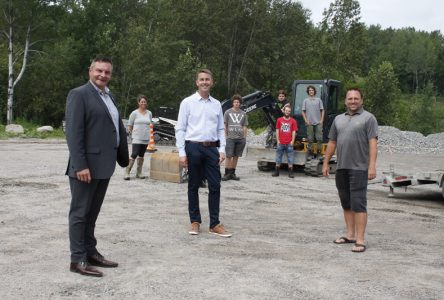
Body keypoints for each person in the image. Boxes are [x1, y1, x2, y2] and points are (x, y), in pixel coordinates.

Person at [65, 56, 129, 277]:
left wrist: (123, 155)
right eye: (99, 71)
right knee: (80, 213)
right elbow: (74, 133)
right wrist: (80, 165)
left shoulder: (109, 96)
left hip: (103, 166)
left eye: (107, 72)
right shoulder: (79, 94)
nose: (103, 75)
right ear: (90, 71)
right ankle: (77, 259)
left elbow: (115, 127)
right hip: (85, 168)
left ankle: (91, 252)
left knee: (92, 213)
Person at [175, 68, 231, 238]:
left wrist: (221, 150)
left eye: (207, 79)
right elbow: (180, 128)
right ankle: (195, 220)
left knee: (215, 185)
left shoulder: (216, 104)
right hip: (193, 148)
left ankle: (214, 223)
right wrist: (182, 152)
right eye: (202, 79)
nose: (205, 82)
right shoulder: (187, 102)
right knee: (193, 185)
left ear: (211, 82)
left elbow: (221, 129)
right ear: (197, 82)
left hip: (212, 149)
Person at [322, 88, 378, 253]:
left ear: (361, 100)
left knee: (358, 204)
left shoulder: (368, 118)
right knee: (346, 203)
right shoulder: (338, 119)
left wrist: (372, 166)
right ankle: (350, 235)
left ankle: (360, 240)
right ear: (345, 101)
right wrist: (326, 162)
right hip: (341, 168)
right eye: (350, 98)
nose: (353, 101)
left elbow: (373, 143)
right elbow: (332, 142)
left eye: (356, 98)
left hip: (359, 168)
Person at [124, 94, 153, 180]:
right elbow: (130, 125)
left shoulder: (149, 113)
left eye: (144, 102)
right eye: (141, 102)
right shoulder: (134, 113)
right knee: (134, 153)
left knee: (141, 155)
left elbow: (149, 123)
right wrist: (132, 132)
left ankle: (139, 172)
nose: (143, 103)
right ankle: (127, 172)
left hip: (145, 137)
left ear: (146, 103)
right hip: (137, 137)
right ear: (138, 103)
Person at [222, 94, 248, 181]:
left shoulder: (243, 113)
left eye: (238, 102)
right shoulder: (227, 112)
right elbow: (225, 125)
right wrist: (226, 136)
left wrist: (244, 137)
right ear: (232, 103)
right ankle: (227, 173)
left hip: (240, 139)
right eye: (235, 102)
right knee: (229, 156)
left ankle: (232, 173)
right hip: (230, 138)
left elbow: (245, 126)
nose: (236, 103)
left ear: (240, 103)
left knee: (236, 156)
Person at [272, 105, 298, 178]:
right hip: (281, 142)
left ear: (290, 112)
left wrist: (292, 141)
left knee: (290, 158)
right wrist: (278, 140)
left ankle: (290, 173)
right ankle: (276, 172)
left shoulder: (293, 121)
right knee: (278, 157)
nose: (287, 112)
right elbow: (277, 130)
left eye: (289, 111)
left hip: (289, 143)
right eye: (286, 111)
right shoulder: (279, 120)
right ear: (284, 111)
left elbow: (294, 131)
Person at [302, 85, 325, 157]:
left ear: (314, 91)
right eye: (309, 90)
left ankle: (319, 152)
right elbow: (303, 111)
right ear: (308, 92)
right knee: (310, 139)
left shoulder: (318, 100)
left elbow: (322, 110)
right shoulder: (305, 100)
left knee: (319, 138)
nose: (311, 91)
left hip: (318, 122)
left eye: (312, 90)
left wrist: (322, 120)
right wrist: (306, 120)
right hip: (309, 122)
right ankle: (310, 153)